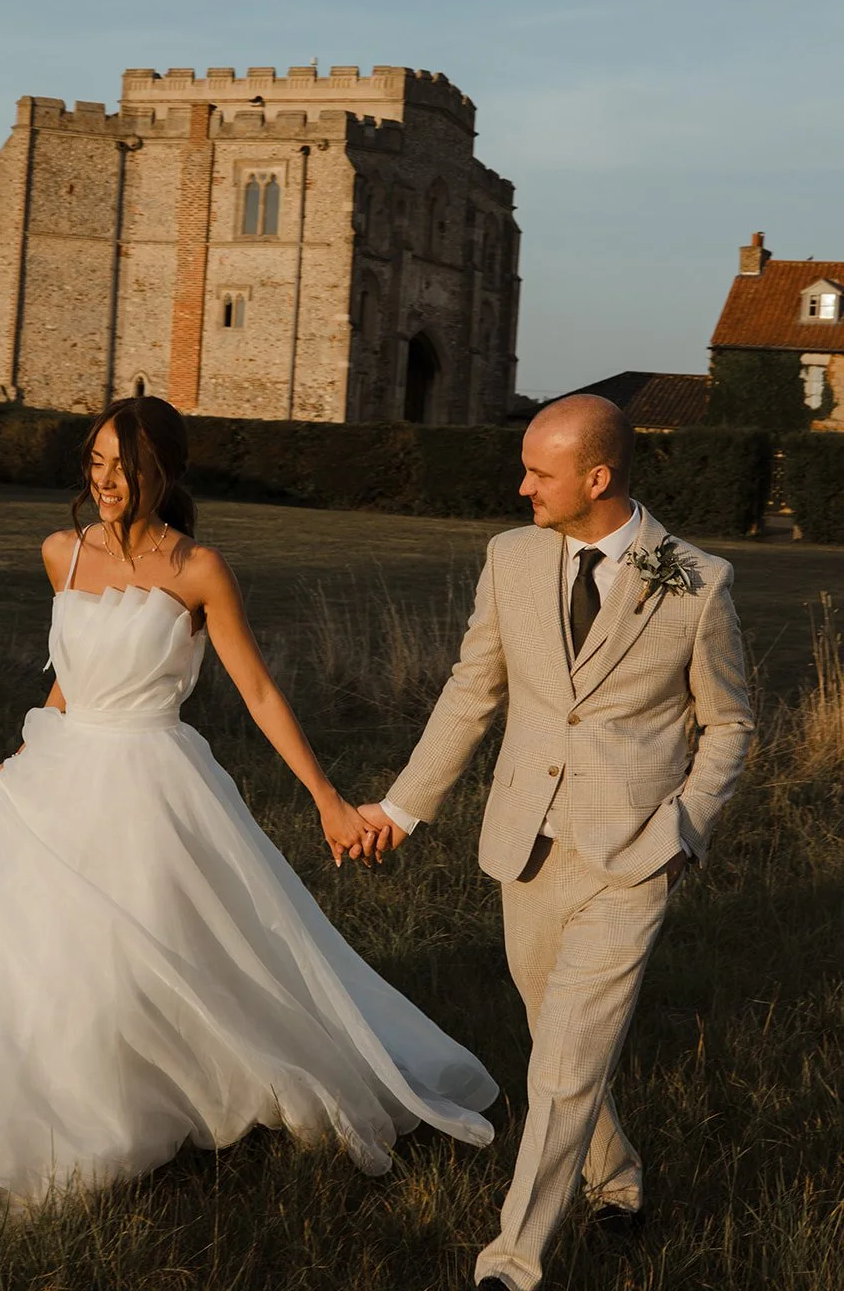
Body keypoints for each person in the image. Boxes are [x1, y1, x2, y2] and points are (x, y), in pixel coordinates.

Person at [0, 395, 498, 1224]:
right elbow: (68, 675)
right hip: (57, 771)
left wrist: (325, 799)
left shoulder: (199, 568)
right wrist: (24, 756)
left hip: (153, 778)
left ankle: (156, 1093)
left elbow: (255, 689)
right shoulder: (59, 553)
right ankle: (37, 1098)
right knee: (30, 949)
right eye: (95, 463)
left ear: (162, 473)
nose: (105, 482)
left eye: (125, 468)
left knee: (164, 950)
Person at [359, 394, 754, 1291]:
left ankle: (512, 1261)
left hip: (633, 856)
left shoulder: (699, 581)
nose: (522, 485)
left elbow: (730, 724)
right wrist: (402, 809)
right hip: (524, 848)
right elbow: (472, 691)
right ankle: (616, 1181)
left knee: (569, 1061)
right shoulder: (510, 558)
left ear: (597, 478)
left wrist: (686, 829)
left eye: (540, 471)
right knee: (554, 1043)